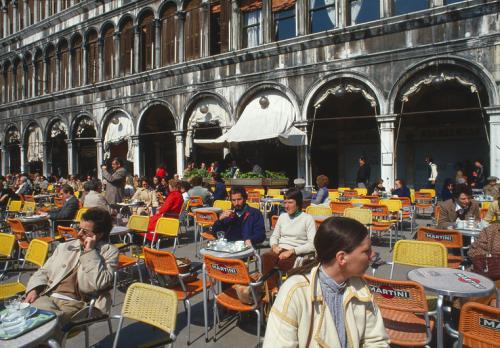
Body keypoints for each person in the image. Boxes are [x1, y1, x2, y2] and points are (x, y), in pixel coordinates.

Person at [263, 217, 389, 347]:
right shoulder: (295, 292)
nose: (373, 254)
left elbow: (376, 341)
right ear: (341, 258)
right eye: (366, 251)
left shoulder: (361, 288)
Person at [25, 208, 118, 339]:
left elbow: (99, 283)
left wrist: (90, 252)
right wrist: (33, 289)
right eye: (78, 228)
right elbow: (44, 271)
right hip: (48, 295)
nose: (79, 233)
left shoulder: (109, 252)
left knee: (41, 326)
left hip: (77, 305)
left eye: (85, 231)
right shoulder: (65, 246)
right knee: (26, 323)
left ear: (100, 234)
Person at [262, 188, 316, 291]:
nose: (286, 206)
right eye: (285, 202)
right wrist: (274, 246)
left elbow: (312, 244)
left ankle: (283, 292)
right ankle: (272, 290)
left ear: (298, 203)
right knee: (266, 257)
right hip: (279, 249)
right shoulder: (282, 217)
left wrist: (292, 251)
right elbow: (274, 236)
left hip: (297, 252)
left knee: (282, 263)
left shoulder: (307, 219)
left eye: (290, 202)